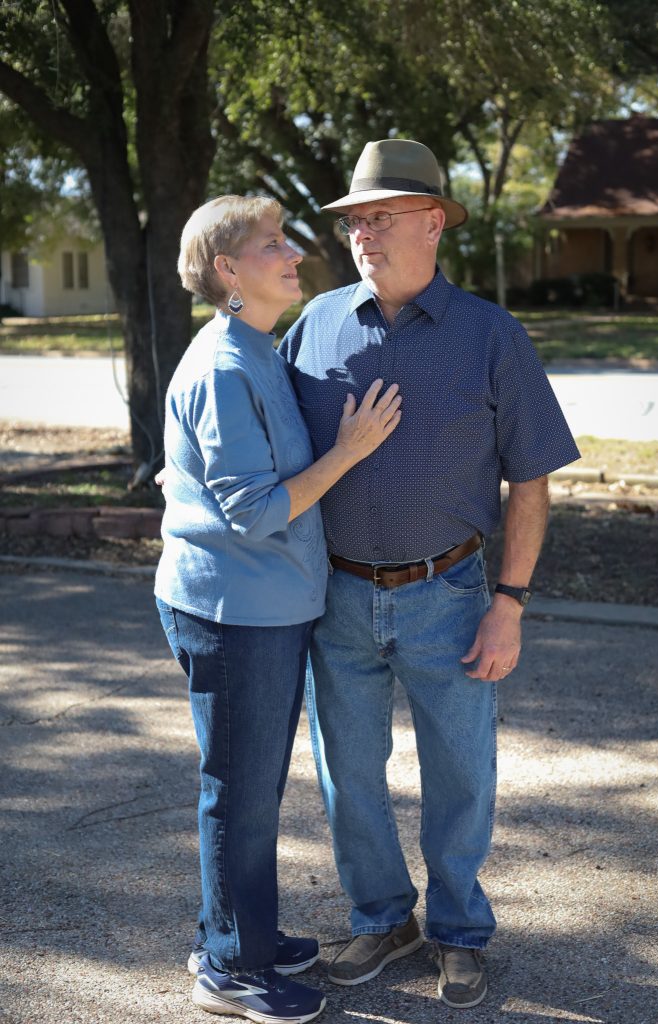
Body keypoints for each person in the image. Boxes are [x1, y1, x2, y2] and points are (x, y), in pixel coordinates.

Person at [279, 139, 580, 1009]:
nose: (362, 234)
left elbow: (530, 481)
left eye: (381, 217)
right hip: (333, 595)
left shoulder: (492, 335)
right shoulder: (316, 325)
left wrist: (510, 604)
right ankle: (382, 917)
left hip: (448, 593)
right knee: (347, 773)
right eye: (355, 221)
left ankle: (456, 930)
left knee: (461, 772)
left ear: (434, 221)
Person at [154, 194, 402, 1023]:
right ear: (228, 272)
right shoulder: (226, 364)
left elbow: (202, 471)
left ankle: (239, 931)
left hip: (263, 605)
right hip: (232, 613)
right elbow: (255, 510)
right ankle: (229, 966)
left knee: (252, 784)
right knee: (241, 790)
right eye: (272, 245)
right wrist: (351, 451)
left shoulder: (254, 346)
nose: (295, 254)